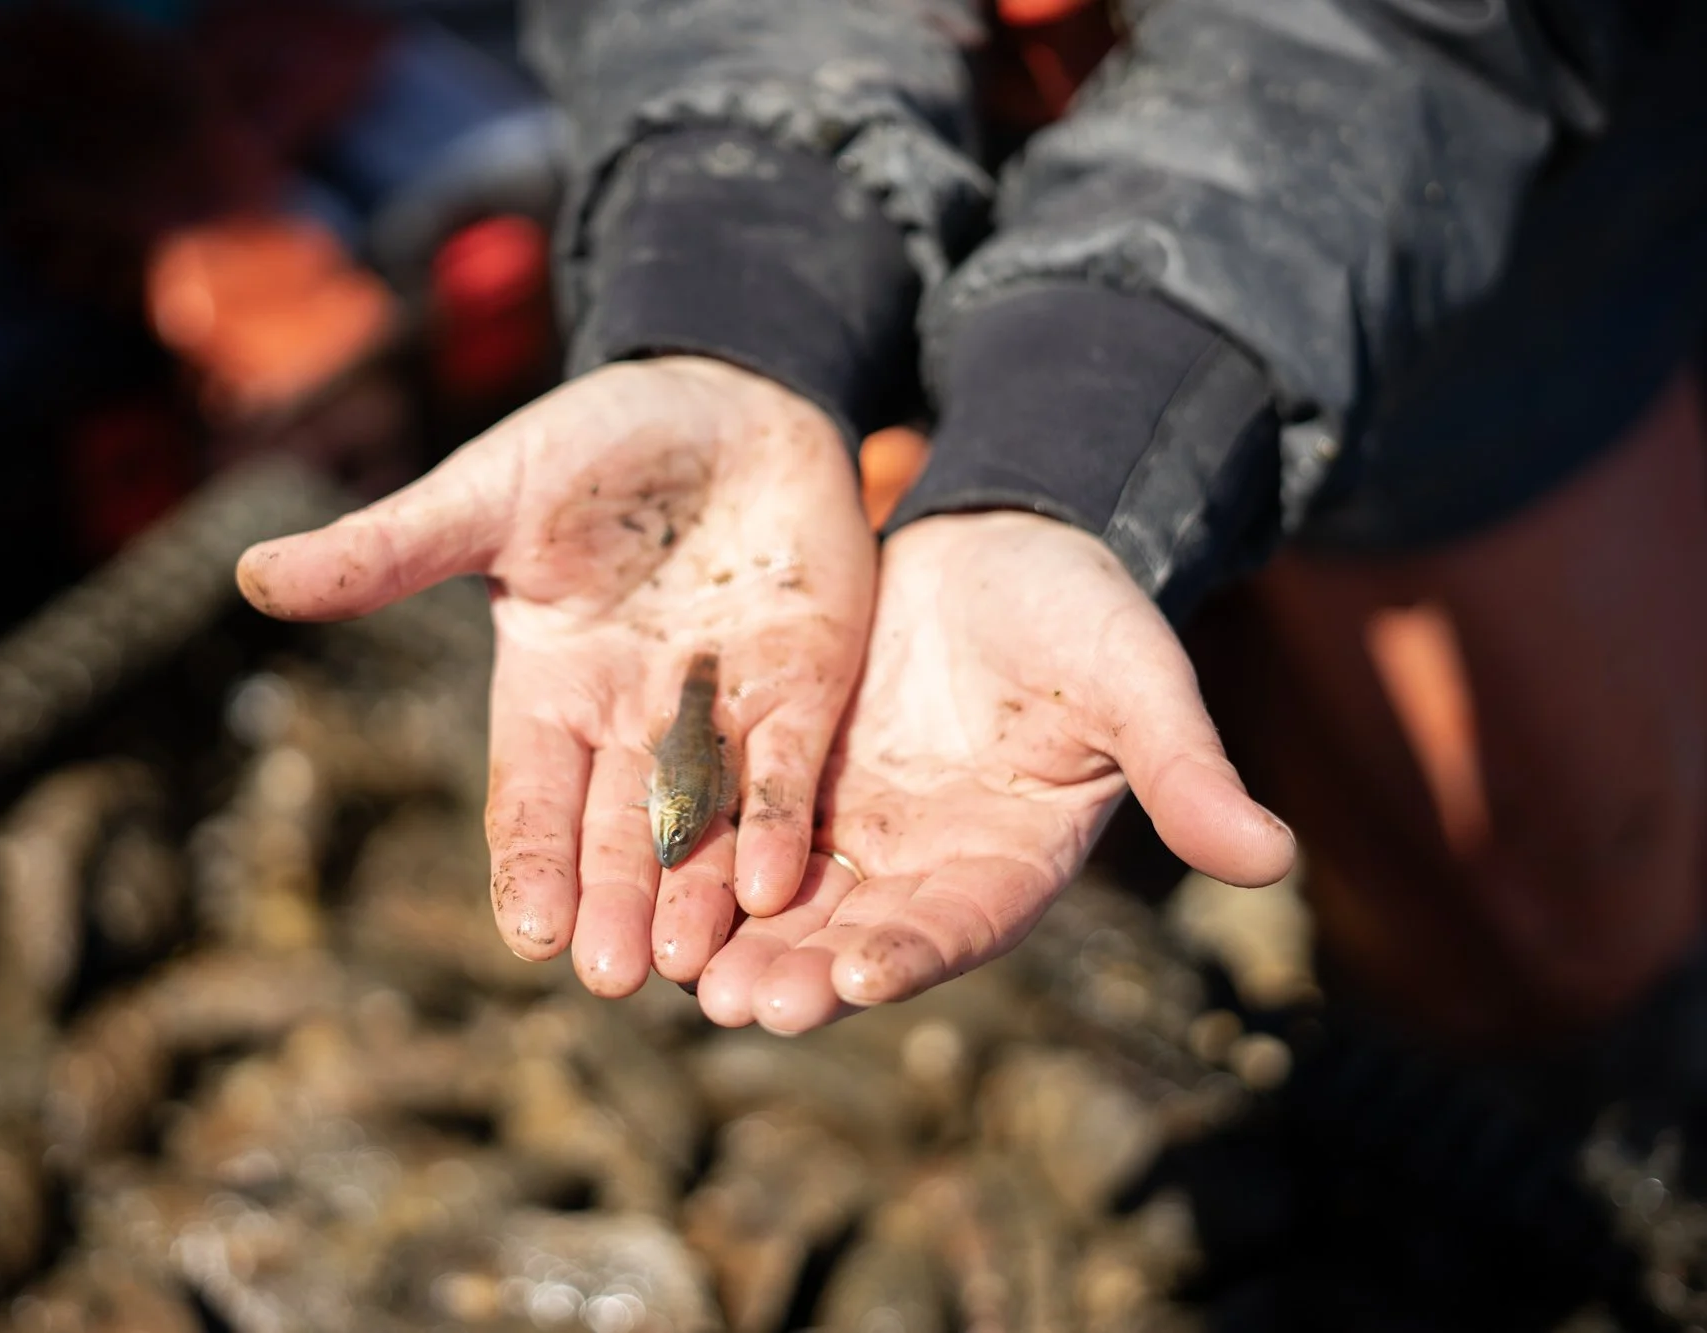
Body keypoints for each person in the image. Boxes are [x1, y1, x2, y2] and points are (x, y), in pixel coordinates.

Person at [236, 0, 1707, 1062]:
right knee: (1070, 766)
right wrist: (736, 295)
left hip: (1448, 187)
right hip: (907, 183)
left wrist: (1107, 414)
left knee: (1545, 914)